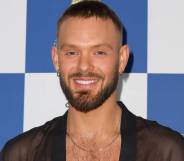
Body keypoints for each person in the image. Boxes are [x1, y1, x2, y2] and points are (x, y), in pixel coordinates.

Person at [1, 1, 184, 161]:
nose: (84, 66)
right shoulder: (21, 154)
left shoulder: (167, 152)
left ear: (122, 59)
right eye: (72, 53)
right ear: (56, 59)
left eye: (99, 53)